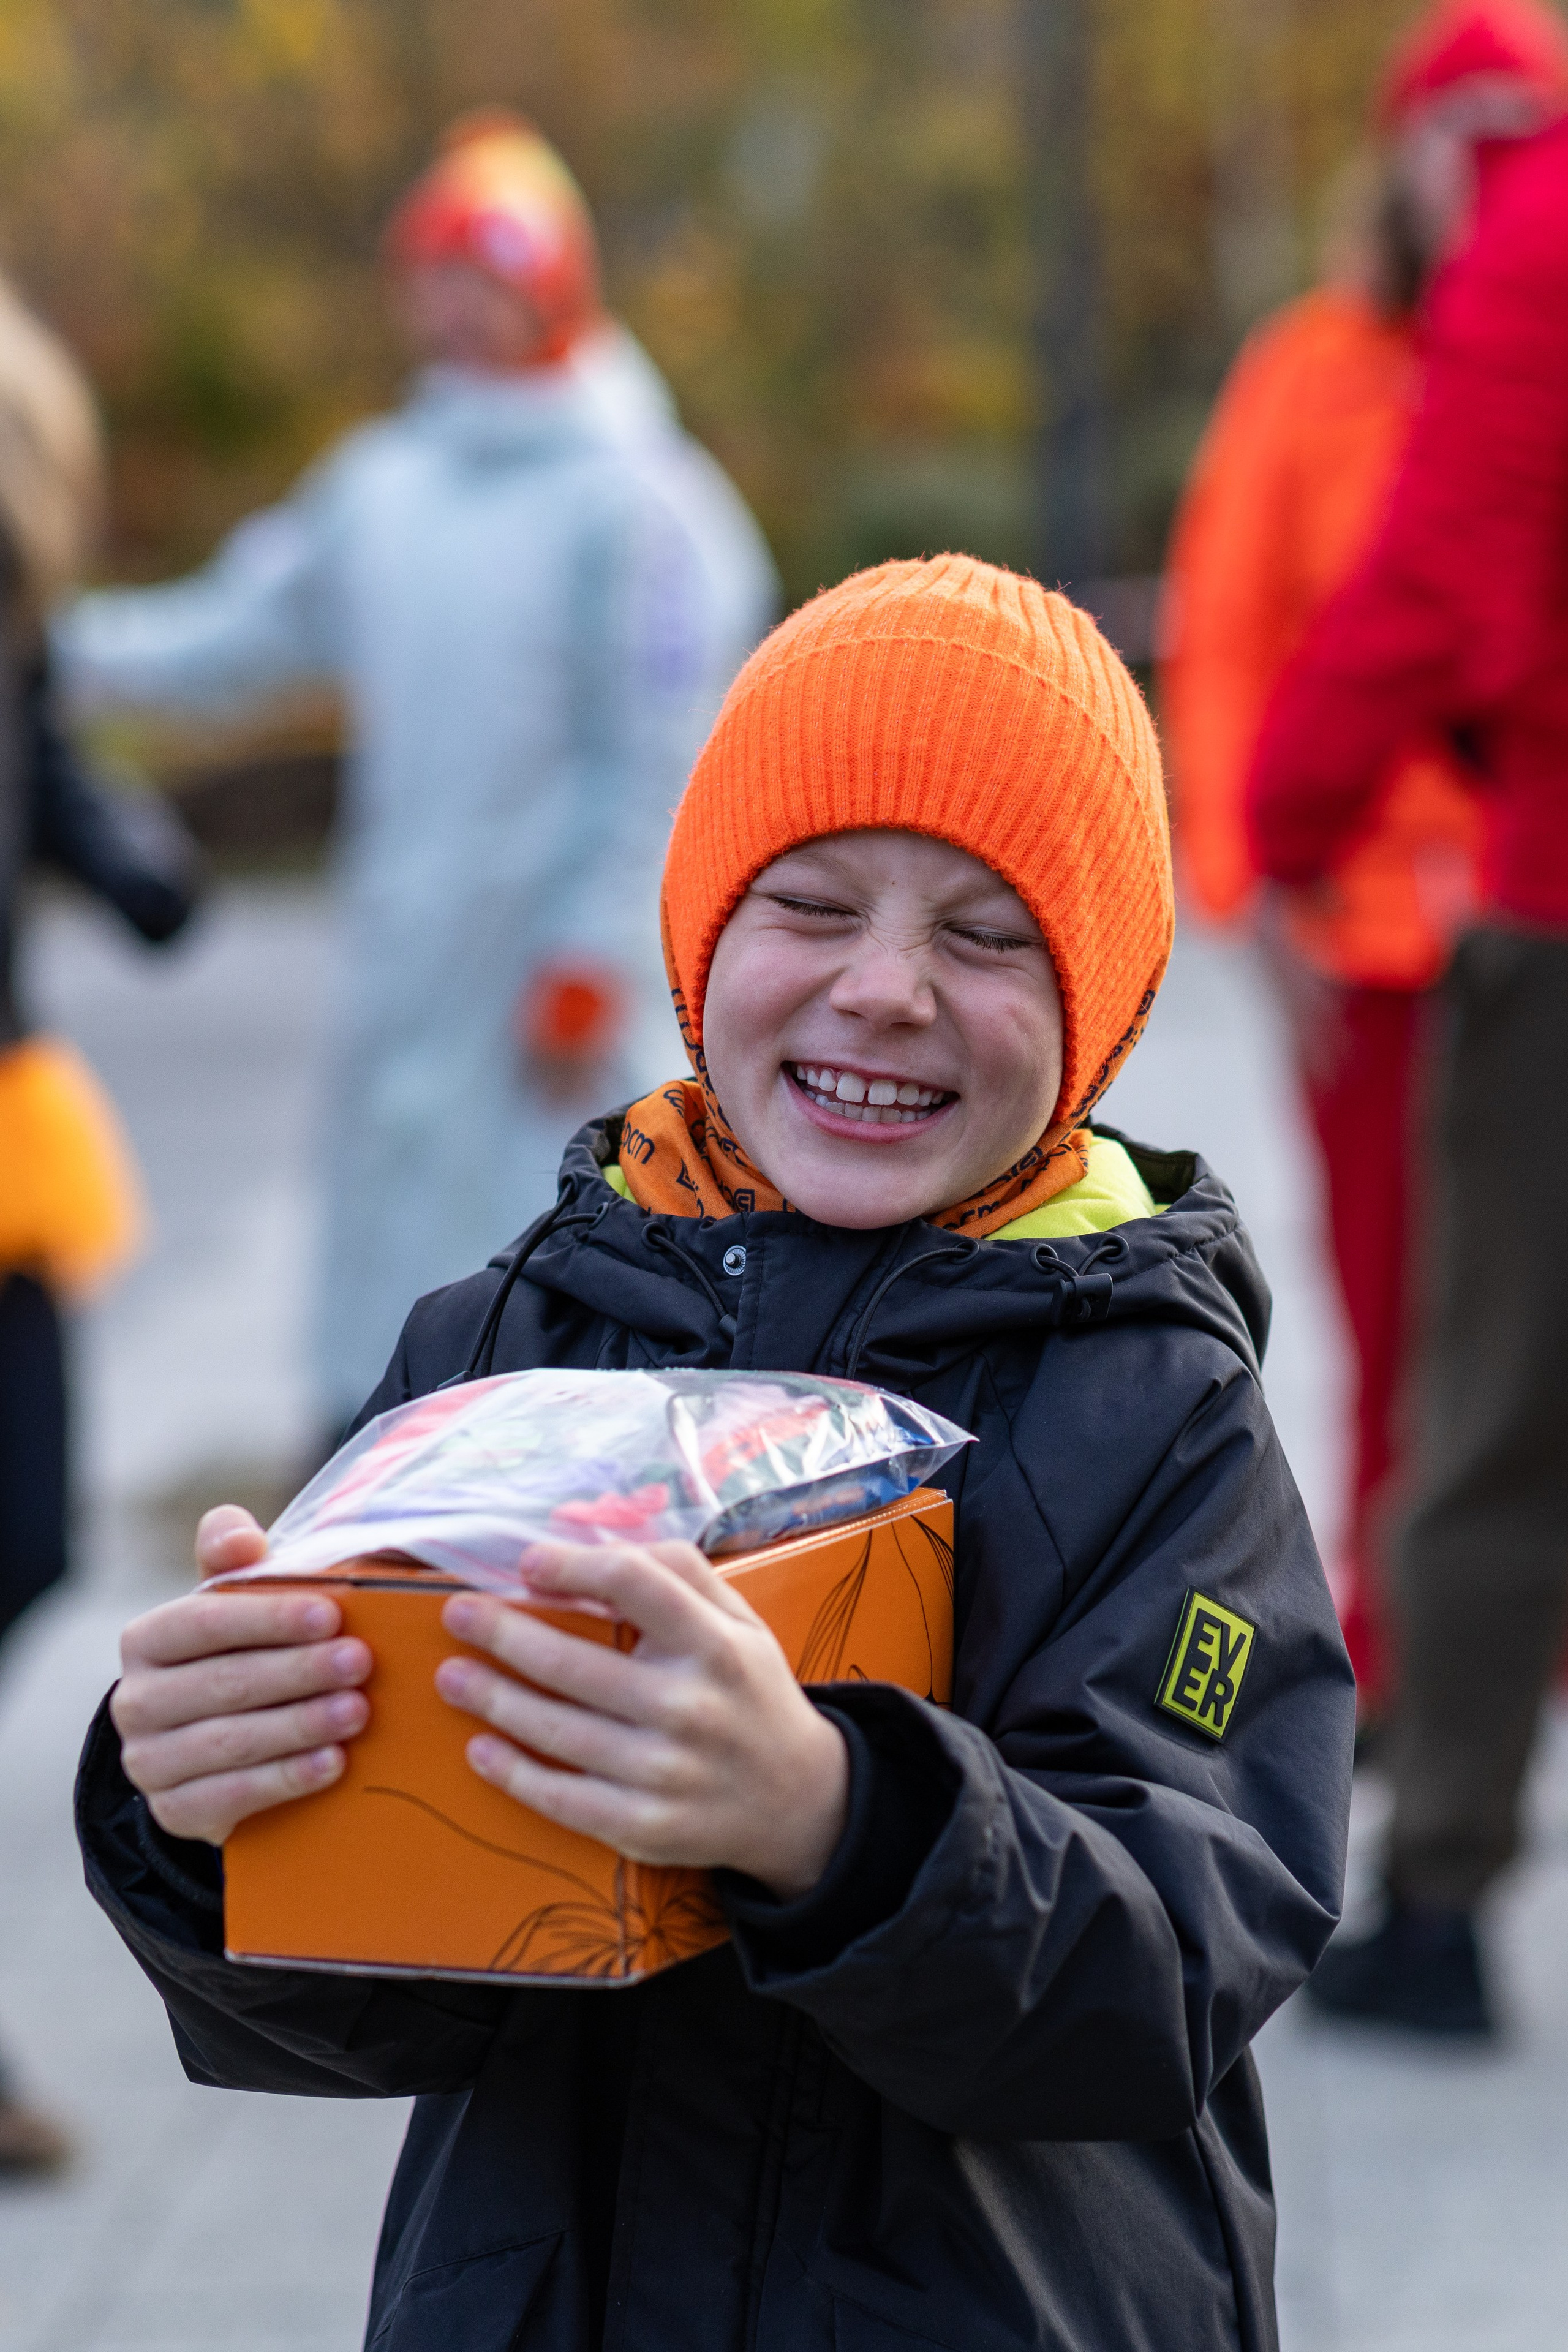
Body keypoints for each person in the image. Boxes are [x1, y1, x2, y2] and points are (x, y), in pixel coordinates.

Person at [77, 557, 1354, 2348]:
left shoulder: (1162, 1417)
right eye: (812, 904)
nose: (886, 989)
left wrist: (838, 1824)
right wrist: (205, 1818)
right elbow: (389, 2001)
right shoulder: (497, 1341)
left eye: (988, 934)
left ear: (1105, 1003)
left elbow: (1177, 1967)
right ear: (698, 934)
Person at [54, 111, 778, 1439]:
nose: (454, 309)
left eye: (483, 277)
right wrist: (47, 645)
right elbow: (229, 633)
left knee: (564, 1301)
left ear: (548, 284)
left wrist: (592, 950)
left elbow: (666, 756)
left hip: (548, 993)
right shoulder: (382, 488)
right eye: (434, 278)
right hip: (411, 967)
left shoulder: (641, 505)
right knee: (396, 1294)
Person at [1247, 0, 1568, 2035]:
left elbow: (1426, 592)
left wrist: (1284, 826)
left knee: (1489, 1407)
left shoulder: (1525, 257)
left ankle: (1439, 1900)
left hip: (1551, 911)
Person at [1161, 78, 1496, 1727]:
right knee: (1398, 1308)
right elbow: (1230, 638)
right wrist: (1254, 883)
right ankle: (1404, 1641)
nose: (1479, 173)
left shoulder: (1525, 357)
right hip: (1364, 932)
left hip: (1527, 916)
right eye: (1458, 134)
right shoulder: (1314, 369)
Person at [0, 271, 198, 2174]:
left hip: (9, 1140)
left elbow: (43, 768)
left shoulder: (16, 627)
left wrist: (127, 853)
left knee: (31, 1539)